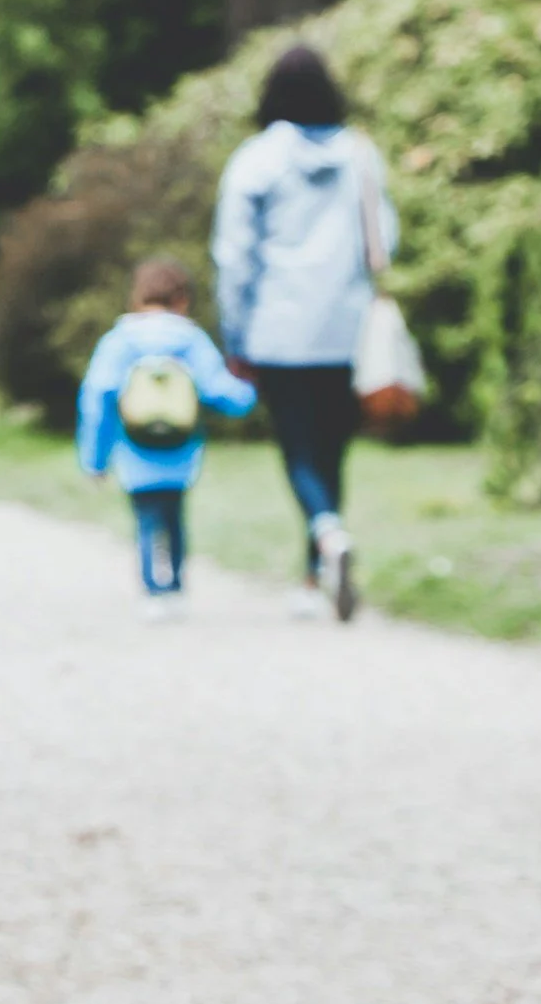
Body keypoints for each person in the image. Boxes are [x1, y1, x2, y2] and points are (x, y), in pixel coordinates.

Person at [210, 44, 397, 622]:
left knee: (298, 449)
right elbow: (384, 243)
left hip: (278, 329)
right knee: (332, 449)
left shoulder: (255, 161)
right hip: (346, 328)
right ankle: (317, 572)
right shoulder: (363, 156)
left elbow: (234, 257)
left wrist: (234, 336)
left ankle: (325, 536)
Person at [77, 257, 258, 621]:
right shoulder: (190, 340)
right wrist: (251, 391)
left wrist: (94, 459)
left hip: (134, 452)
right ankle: (175, 586)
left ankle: (152, 592)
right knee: (175, 519)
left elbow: (97, 398)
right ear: (182, 299)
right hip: (180, 453)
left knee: (146, 521)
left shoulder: (120, 341)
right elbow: (221, 391)